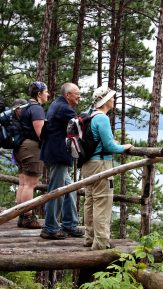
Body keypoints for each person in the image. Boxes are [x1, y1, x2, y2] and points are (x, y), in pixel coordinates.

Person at [81, 86, 133, 250]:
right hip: (101, 165)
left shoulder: (89, 115)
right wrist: (124, 147)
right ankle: (101, 243)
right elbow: (109, 145)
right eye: (111, 97)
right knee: (102, 202)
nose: (113, 100)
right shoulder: (102, 118)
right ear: (105, 100)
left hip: (87, 164)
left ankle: (89, 238)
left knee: (89, 201)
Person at [39, 82, 85, 240]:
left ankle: (69, 223)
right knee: (57, 192)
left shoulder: (56, 104)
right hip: (58, 155)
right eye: (77, 93)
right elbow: (80, 124)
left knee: (69, 189)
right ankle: (50, 228)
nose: (79, 96)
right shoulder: (64, 108)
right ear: (68, 95)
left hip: (54, 153)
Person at [13, 81, 48, 229]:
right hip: (32, 148)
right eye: (46, 92)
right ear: (39, 94)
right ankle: (28, 216)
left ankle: (22, 215)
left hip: (21, 147)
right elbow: (41, 134)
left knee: (23, 183)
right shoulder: (37, 109)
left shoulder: (26, 107)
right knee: (30, 184)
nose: (48, 94)